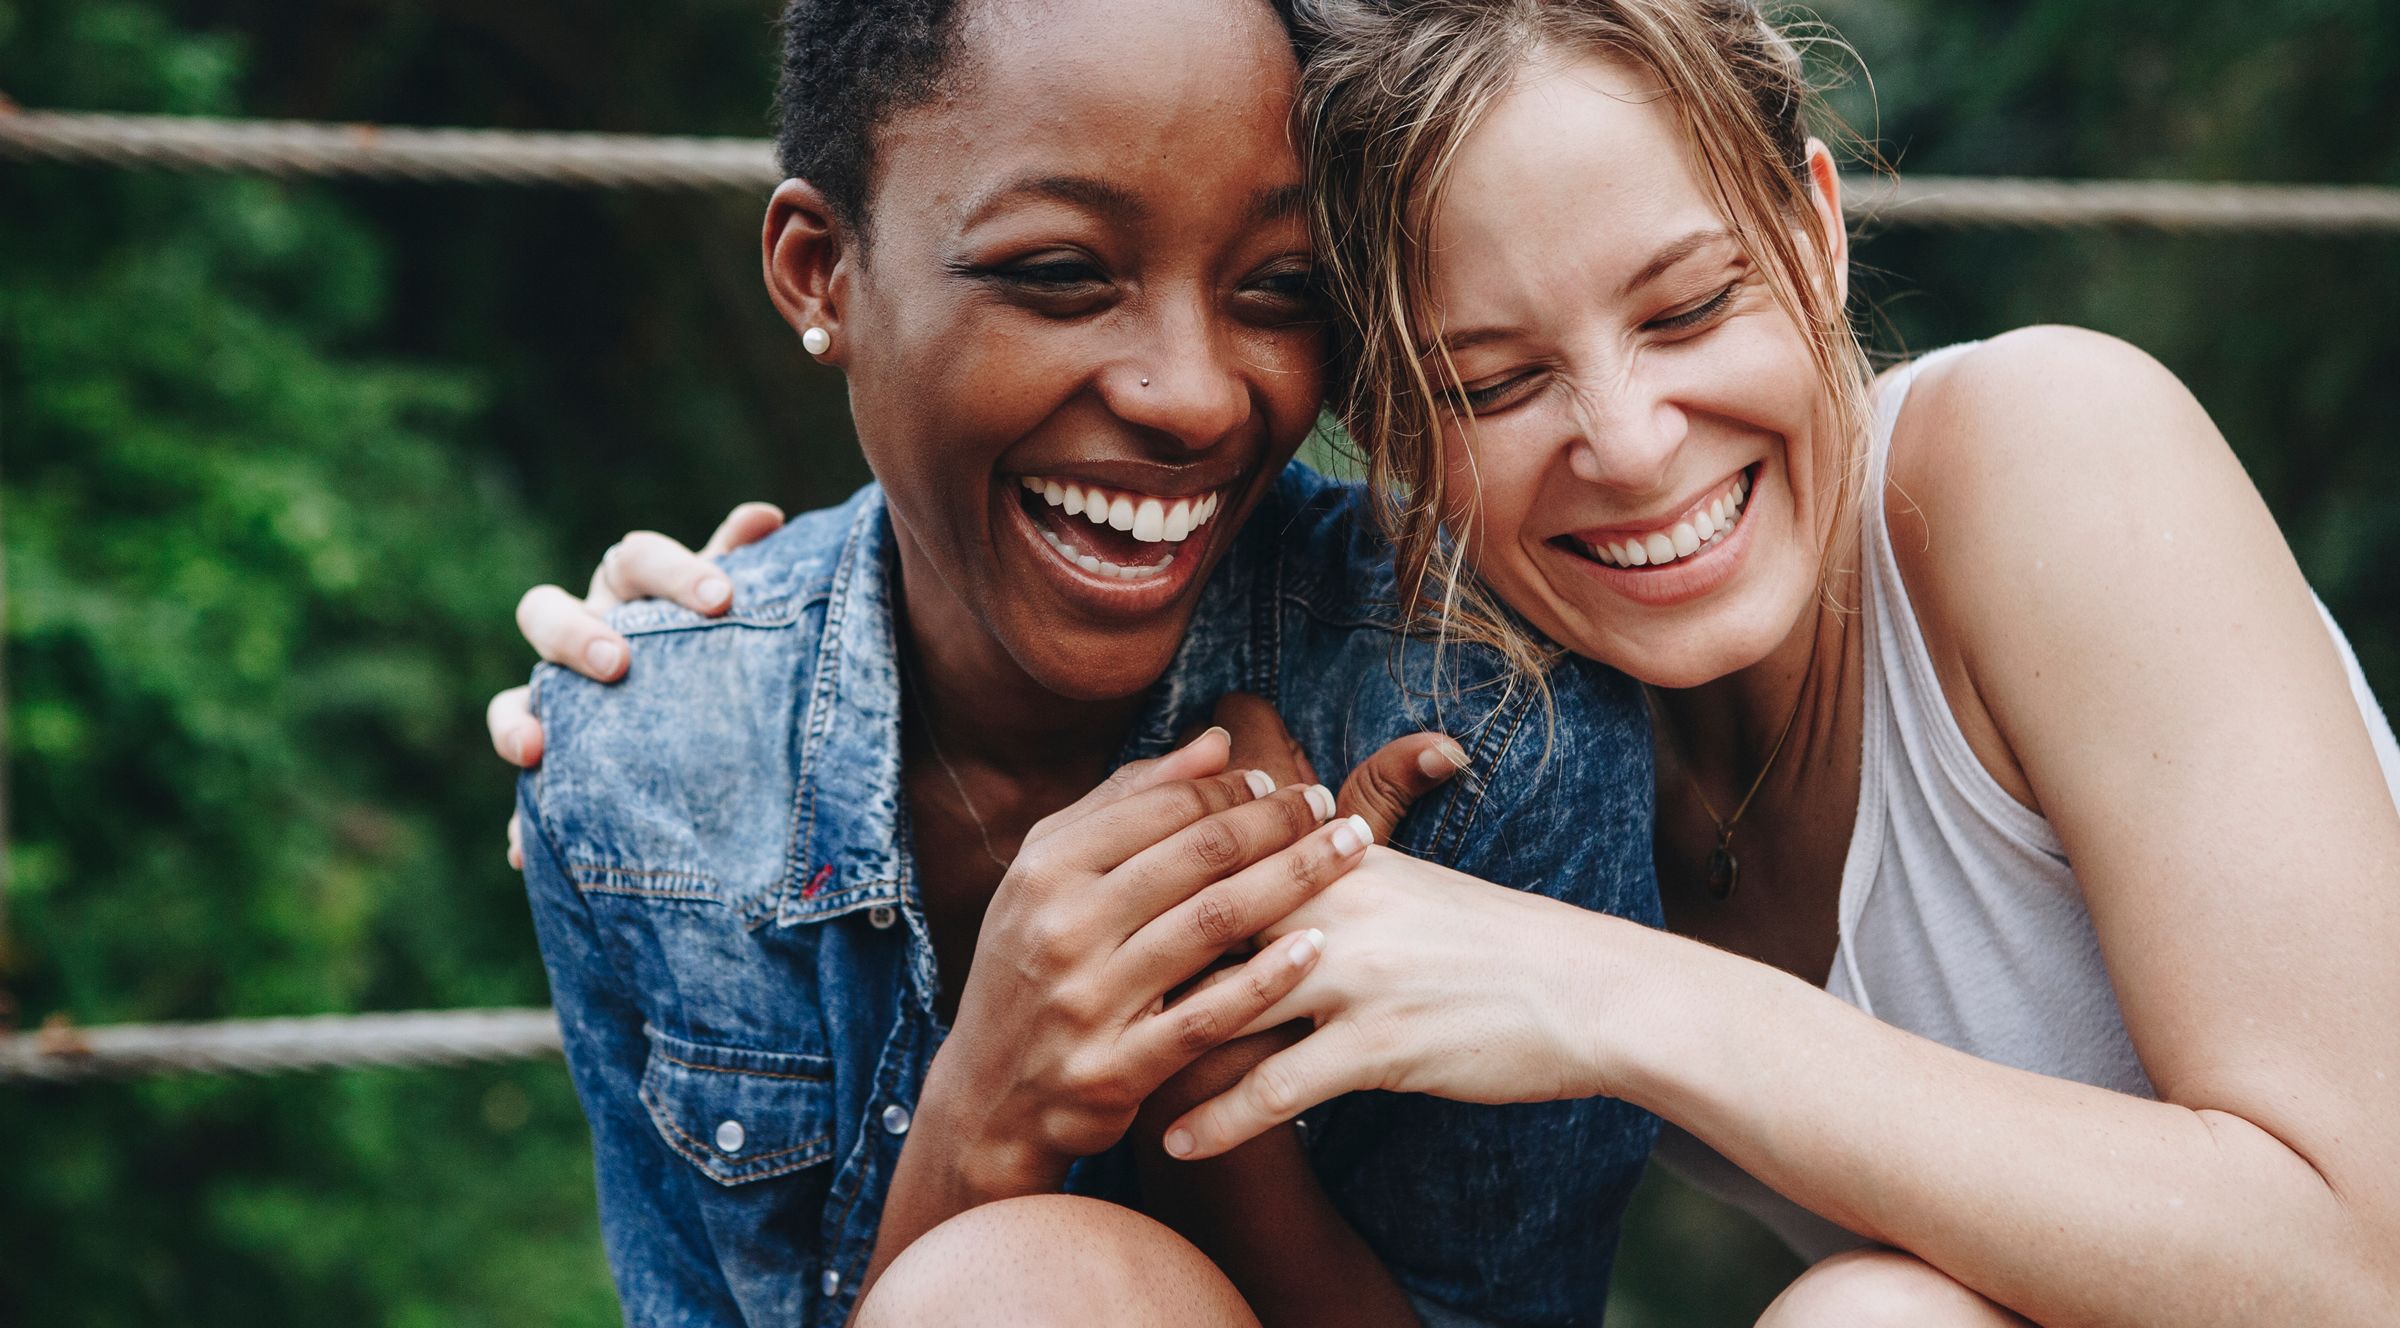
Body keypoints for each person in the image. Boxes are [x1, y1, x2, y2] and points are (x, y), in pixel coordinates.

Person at [1128, 2, 2398, 1325]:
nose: (1630, 446)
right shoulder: (1511, 755)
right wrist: (1229, 1030)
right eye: (1493, 385)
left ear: (1817, 231)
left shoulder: (2053, 455)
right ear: (1386, 429)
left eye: (1689, 308)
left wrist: (1611, 994)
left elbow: (2361, 1260)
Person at [500, 1, 1661, 1325]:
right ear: (822, 271)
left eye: (1279, 287)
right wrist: (982, 1120)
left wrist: (1213, 1103)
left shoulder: (1487, 718)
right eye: (1061, 273)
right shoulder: (642, 767)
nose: (1195, 395)